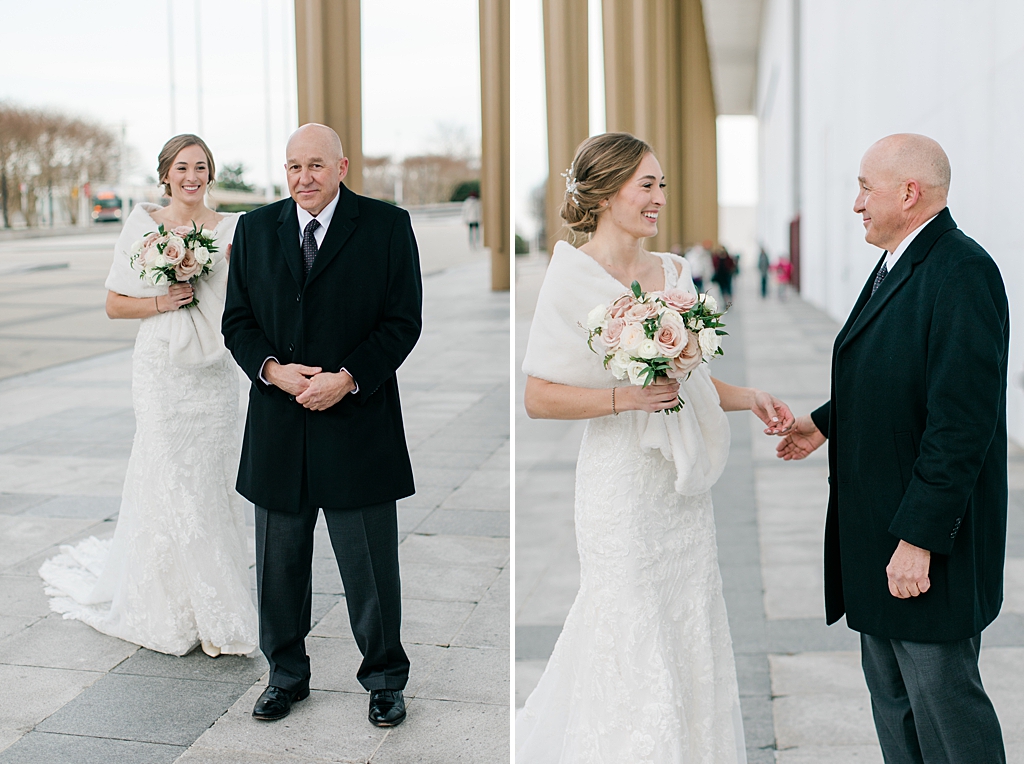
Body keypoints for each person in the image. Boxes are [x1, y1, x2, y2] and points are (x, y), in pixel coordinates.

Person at [516, 132, 794, 762]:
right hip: (618, 484)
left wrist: (747, 396)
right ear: (608, 189)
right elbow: (538, 396)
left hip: (677, 487)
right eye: (648, 185)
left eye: (662, 185)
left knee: (687, 615)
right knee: (628, 622)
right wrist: (621, 399)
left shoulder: (671, 272)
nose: (659, 198)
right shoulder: (569, 275)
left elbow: (687, 378)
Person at [776, 133, 1008, 763]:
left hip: (924, 546)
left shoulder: (961, 271)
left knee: (945, 712)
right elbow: (892, 372)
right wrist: (825, 422)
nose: (856, 203)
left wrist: (920, 540)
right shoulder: (897, 263)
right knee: (896, 706)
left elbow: (961, 423)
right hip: (878, 530)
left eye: (864, 187)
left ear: (909, 193)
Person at [222, 123, 422, 726]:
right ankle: (285, 676)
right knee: (278, 567)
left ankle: (385, 679)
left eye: (314, 165)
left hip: (356, 421)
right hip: (280, 424)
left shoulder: (387, 225)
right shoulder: (255, 229)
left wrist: (348, 378)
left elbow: (402, 321)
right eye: (292, 167)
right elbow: (237, 321)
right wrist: (273, 371)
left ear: (342, 166)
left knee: (369, 568)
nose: (303, 178)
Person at [39, 134, 257, 658]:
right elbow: (115, 305)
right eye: (182, 167)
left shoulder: (234, 230)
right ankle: (180, 608)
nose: (192, 176)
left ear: (211, 173)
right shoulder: (143, 226)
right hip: (162, 370)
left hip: (216, 373)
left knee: (211, 481)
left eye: (201, 166)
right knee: (170, 478)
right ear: (165, 174)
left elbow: (248, 299)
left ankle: (215, 596)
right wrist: (163, 299)